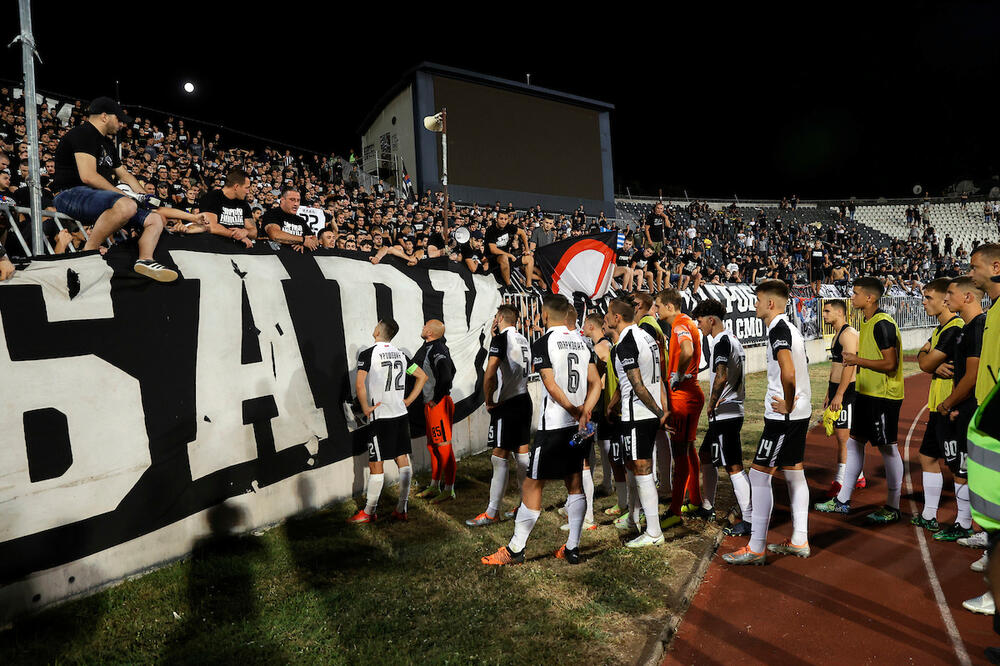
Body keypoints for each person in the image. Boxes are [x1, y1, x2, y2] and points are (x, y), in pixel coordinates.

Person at [481, 296, 600, 566]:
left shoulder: (543, 342)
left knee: (532, 484)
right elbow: (596, 384)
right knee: (574, 484)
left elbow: (549, 382)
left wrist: (572, 409)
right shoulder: (583, 341)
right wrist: (584, 412)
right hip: (579, 428)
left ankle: (515, 549)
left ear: (545, 315)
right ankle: (572, 548)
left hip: (555, 426)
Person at [724, 280, 812, 564]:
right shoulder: (791, 328)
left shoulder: (778, 329)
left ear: (770, 303)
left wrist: (786, 402)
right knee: (794, 472)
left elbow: (788, 371)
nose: (755, 305)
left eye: (758, 300)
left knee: (760, 475)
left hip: (782, 417)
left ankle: (757, 545)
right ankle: (799, 539)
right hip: (799, 414)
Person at [51, 97, 175, 281]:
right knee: (126, 205)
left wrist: (144, 196)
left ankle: (145, 260)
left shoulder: (107, 144)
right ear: (104, 116)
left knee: (155, 219)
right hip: (70, 194)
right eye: (118, 119)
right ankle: (88, 253)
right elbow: (88, 176)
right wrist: (126, 196)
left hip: (98, 198)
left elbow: (124, 174)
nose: (122, 125)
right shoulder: (82, 133)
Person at [815, 277, 905, 525]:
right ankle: (842, 500)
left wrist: (857, 362)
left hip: (884, 396)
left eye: (855, 293)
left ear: (870, 298)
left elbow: (891, 363)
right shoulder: (866, 322)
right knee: (854, 443)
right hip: (866, 393)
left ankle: (893, 505)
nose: (851, 297)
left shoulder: (882, 324)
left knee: (888, 447)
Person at [604, 298, 670, 547]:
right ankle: (635, 520)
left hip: (639, 415)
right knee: (637, 468)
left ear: (617, 318)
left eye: (609, 314)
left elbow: (637, 384)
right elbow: (650, 379)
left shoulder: (625, 344)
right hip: (646, 414)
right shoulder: (647, 337)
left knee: (642, 472)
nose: (606, 318)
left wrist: (658, 412)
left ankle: (653, 532)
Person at [348, 318, 428, 523]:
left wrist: (365, 408)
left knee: (376, 463)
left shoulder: (368, 354)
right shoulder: (401, 355)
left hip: (380, 416)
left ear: (378, 331)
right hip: (400, 414)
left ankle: (369, 511)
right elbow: (422, 377)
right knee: (402, 459)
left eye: (376, 324)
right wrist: (408, 400)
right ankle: (402, 507)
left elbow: (359, 385)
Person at [930, 277, 985, 542]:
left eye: (950, 293)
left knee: (969, 468)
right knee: (960, 466)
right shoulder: (967, 328)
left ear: (968, 297)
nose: (946, 298)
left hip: (971, 409)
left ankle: (974, 526)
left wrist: (950, 402)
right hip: (963, 408)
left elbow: (972, 375)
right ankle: (966, 523)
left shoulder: (977, 327)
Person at [466, 305, 533, 526]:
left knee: (499, 456)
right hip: (524, 398)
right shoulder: (523, 339)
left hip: (508, 402)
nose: (494, 319)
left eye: (495, 316)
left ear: (501, 318)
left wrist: (488, 399)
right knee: (522, 454)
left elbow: (490, 373)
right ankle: (526, 504)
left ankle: (492, 512)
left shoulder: (501, 340)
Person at [692, 298, 752, 537]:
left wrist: (712, 402)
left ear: (711, 320)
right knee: (705, 455)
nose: (698, 326)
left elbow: (721, 376)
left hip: (726, 412)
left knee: (733, 465)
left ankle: (749, 517)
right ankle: (707, 506)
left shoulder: (721, 342)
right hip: (730, 411)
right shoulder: (732, 339)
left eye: (699, 321)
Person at [963, 243, 1000, 618]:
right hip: (989, 422)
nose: (971, 273)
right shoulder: (994, 311)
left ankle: (996, 595)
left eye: (975, 268)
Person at [913, 278, 964, 531]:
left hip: (949, 405)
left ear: (945, 299)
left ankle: (963, 522)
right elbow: (922, 358)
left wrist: (929, 360)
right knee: (927, 456)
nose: (923, 302)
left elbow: (923, 363)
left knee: (957, 466)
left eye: (928, 297)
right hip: (937, 406)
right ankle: (929, 514)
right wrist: (929, 360)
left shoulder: (955, 327)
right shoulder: (939, 330)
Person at [653, 289, 707, 527]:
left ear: (669, 306)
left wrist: (680, 373)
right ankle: (694, 498)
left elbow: (687, 350)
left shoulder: (679, 325)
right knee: (688, 448)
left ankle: (675, 510)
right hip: (690, 393)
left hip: (683, 395)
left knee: (680, 452)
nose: (656, 310)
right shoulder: (686, 324)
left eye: (658, 306)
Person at [821, 300, 865, 497]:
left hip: (847, 391)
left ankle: (841, 481)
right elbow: (836, 366)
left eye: (827, 311)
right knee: (841, 437)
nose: (824, 315)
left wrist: (839, 394)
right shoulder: (837, 334)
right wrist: (829, 392)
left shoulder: (848, 334)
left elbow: (850, 366)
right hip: (837, 389)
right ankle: (859, 476)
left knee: (843, 438)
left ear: (840, 312)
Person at [412, 320, 457, 504]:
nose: (422, 327)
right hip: (430, 405)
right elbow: (416, 368)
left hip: (437, 405)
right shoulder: (428, 347)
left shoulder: (437, 347)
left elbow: (447, 373)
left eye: (424, 326)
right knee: (433, 447)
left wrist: (436, 398)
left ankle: (449, 489)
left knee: (443, 447)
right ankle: (434, 485)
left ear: (429, 331)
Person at [198, 168, 257, 248]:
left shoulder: (244, 204)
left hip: (239, 250)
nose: (248, 192)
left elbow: (254, 232)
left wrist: (246, 231)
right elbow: (211, 226)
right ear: (236, 186)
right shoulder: (211, 198)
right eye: (246, 188)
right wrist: (237, 236)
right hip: (214, 248)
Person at [262, 187, 319, 252]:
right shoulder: (271, 213)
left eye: (298, 200)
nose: (296, 204)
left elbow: (315, 240)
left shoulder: (300, 220)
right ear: (282, 200)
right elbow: (275, 235)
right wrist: (302, 240)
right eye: (292, 200)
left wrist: (305, 243)